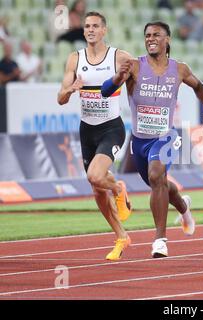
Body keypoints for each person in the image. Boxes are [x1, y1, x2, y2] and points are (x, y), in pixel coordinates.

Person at [101, 21, 203, 258]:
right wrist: (118, 77)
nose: (151, 39)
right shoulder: (134, 66)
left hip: (166, 137)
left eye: (156, 35)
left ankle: (160, 240)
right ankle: (183, 206)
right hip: (139, 141)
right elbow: (105, 91)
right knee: (157, 182)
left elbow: (200, 87)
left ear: (167, 39)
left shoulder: (179, 69)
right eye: (147, 35)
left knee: (155, 175)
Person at [57, 12, 132, 261]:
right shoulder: (75, 59)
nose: (90, 30)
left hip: (111, 127)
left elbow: (142, 74)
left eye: (95, 26)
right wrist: (70, 89)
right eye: (87, 26)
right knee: (97, 189)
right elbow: (60, 98)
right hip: (87, 129)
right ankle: (121, 237)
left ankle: (119, 188)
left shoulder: (118, 57)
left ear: (104, 30)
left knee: (95, 176)